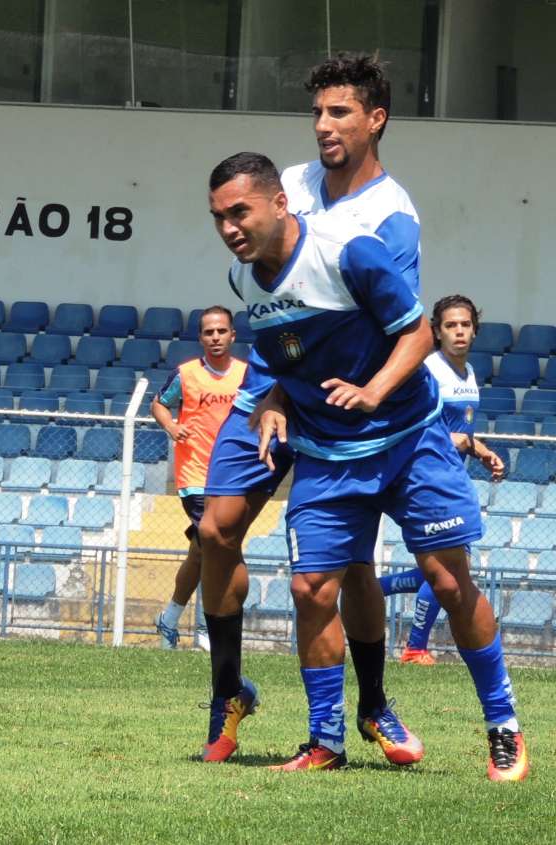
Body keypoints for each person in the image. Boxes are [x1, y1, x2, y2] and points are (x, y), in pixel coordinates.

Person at [208, 151, 527, 782]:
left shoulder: (348, 251)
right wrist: (272, 399)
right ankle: (325, 739)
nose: (229, 228)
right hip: (327, 454)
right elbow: (286, 354)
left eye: (240, 212)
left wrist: (374, 391)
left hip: (407, 438)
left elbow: (417, 334)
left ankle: (504, 727)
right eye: (218, 217)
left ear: (279, 204)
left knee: (449, 583)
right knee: (309, 589)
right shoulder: (245, 281)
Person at [196, 53, 421, 766]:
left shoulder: (391, 216)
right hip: (271, 391)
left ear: (375, 119)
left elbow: (392, 322)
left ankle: (374, 706)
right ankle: (228, 690)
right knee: (215, 526)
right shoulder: (285, 183)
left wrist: (354, 393)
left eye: (339, 112)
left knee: (347, 565)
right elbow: (263, 293)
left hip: (339, 406)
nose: (323, 125)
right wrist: (269, 392)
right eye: (318, 112)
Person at [380, 295, 505, 665]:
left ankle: (375, 591)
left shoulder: (468, 376)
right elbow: (421, 430)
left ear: (475, 330)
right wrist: (471, 445)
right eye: (451, 325)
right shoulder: (430, 370)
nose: (459, 331)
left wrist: (481, 449)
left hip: (452, 479)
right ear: (436, 331)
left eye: (465, 324)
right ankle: (415, 647)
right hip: (428, 479)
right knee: (451, 571)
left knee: (440, 572)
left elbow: (460, 430)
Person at [152, 307, 247, 651]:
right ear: (201, 338)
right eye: (209, 332)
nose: (216, 337)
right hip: (194, 477)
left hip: (231, 477)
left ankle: (169, 618)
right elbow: (160, 404)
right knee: (220, 546)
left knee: (202, 552)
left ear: (233, 335)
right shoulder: (187, 374)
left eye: (222, 331)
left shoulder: (246, 375)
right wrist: (173, 427)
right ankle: (211, 626)